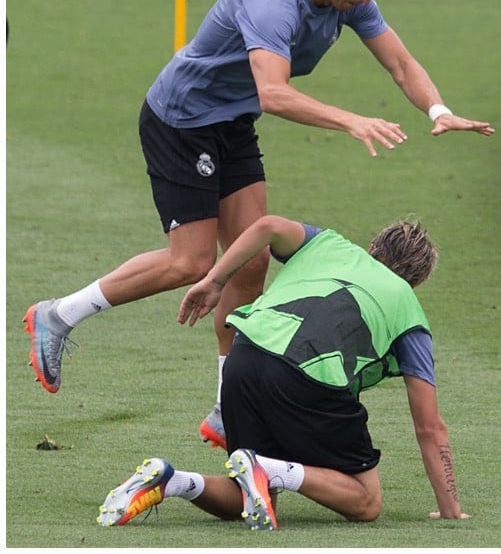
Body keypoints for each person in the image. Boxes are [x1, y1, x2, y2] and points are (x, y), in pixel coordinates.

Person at [24, 0, 494, 452]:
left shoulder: (351, 1)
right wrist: (351, 121)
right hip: (182, 120)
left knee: (250, 263)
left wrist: (439, 109)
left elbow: (401, 63)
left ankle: (227, 410)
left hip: (231, 121)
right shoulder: (274, 0)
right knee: (192, 264)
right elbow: (274, 93)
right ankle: (58, 315)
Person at [97, 213, 468, 529]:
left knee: (251, 497)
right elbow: (429, 426)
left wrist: (215, 280)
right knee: (366, 502)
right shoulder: (408, 310)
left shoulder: (328, 244)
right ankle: (270, 469)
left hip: (244, 355)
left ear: (371, 247)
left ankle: (172, 480)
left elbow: (268, 224)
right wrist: (450, 508)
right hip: (306, 374)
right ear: (415, 282)